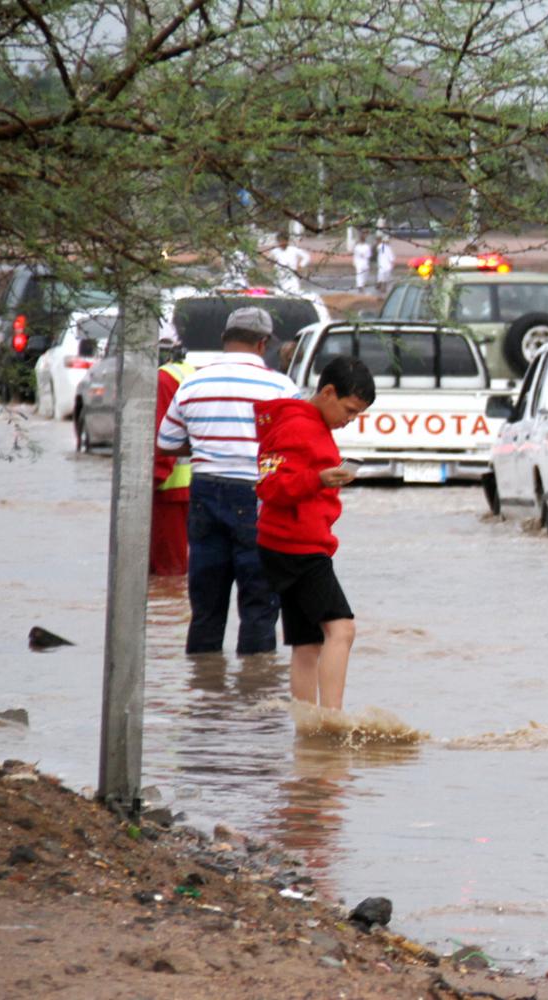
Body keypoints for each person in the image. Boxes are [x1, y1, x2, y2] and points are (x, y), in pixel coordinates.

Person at [157, 307, 299, 655]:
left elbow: (166, 443)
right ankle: (252, 697)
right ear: (263, 343)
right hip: (258, 499)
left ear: (225, 339)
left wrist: (206, 444)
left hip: (204, 494)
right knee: (259, 608)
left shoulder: (192, 382)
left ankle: (205, 696)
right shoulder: (281, 387)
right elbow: (295, 447)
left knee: (205, 609)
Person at [254, 356, 376, 710]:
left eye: (356, 415)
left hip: (290, 542)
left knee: (307, 644)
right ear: (327, 392)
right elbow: (269, 486)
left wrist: (323, 478)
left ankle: (307, 729)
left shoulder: (310, 424)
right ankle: (332, 722)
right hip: (297, 547)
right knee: (342, 629)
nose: (349, 420)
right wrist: (319, 479)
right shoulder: (295, 425)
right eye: (349, 410)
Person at [150, 343, 195, 576]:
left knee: (168, 573)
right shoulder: (189, 372)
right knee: (179, 570)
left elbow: (161, 436)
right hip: (191, 485)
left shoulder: (161, 380)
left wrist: (152, 481)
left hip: (167, 490)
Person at [266, 231, 311, 295]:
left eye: (283, 241)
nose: (282, 243)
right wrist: (272, 265)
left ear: (287, 241)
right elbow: (269, 260)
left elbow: (306, 257)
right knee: (279, 294)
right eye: (280, 241)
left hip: (292, 276)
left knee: (294, 294)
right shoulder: (274, 251)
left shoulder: (293, 249)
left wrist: (300, 266)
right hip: (280, 277)